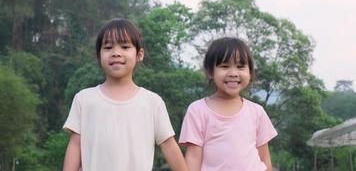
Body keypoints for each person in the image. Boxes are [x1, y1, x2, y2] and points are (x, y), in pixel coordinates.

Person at [63, 18, 188, 171]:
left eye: (125, 47)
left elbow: (168, 145)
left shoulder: (152, 102)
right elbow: (75, 144)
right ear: (98, 55)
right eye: (108, 47)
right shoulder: (84, 99)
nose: (116, 53)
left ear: (139, 54)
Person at [179, 37, 278, 171]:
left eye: (240, 67)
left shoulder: (257, 112)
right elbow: (194, 158)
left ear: (250, 72)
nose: (233, 73)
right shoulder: (197, 110)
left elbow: (265, 159)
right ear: (210, 72)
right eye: (225, 66)